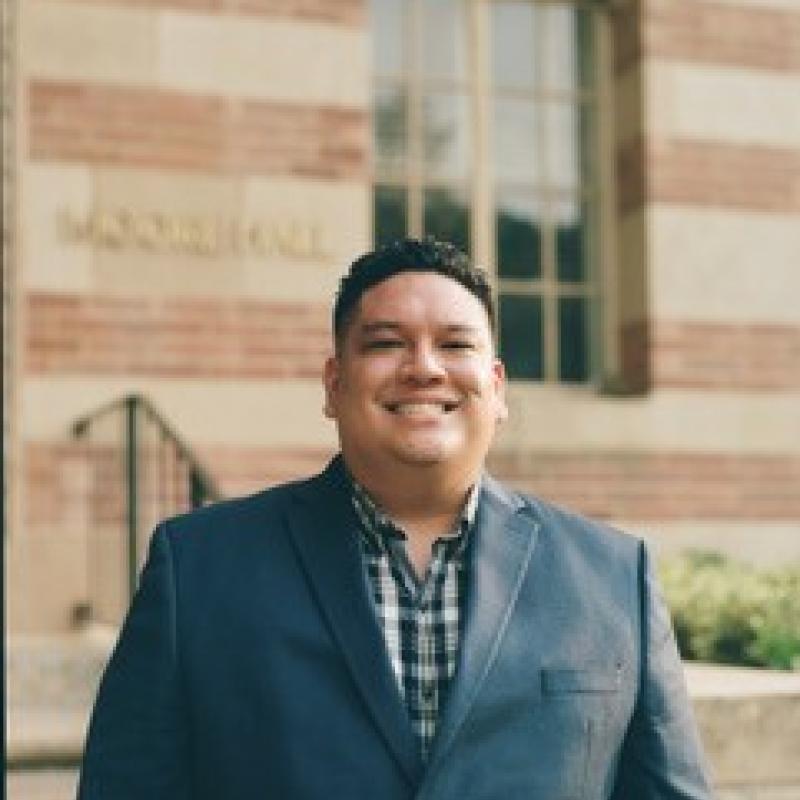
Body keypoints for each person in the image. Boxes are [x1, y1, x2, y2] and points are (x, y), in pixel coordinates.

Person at [78, 238, 713, 799]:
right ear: (333, 385)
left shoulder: (613, 576)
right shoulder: (198, 569)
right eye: (385, 343)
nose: (424, 367)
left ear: (497, 388)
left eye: (455, 344)